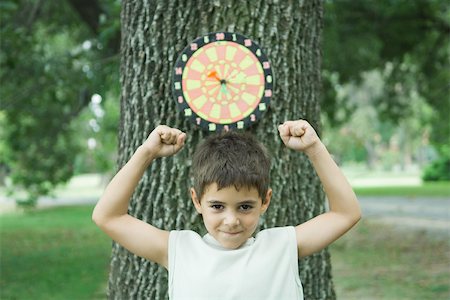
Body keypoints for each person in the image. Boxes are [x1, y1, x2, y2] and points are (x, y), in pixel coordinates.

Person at [92, 119, 361, 300]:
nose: (231, 220)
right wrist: (146, 152)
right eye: (217, 206)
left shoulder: (282, 246)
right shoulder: (178, 250)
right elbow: (108, 216)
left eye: (245, 206)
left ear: (265, 201)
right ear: (197, 201)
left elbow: (345, 213)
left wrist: (314, 148)